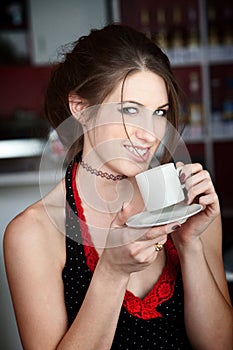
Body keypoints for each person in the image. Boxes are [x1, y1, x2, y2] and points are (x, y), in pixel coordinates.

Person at [3, 24, 233, 350]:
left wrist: (190, 245)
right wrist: (111, 272)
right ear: (81, 109)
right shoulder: (33, 233)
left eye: (159, 113)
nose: (150, 134)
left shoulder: (188, 205)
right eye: (129, 110)